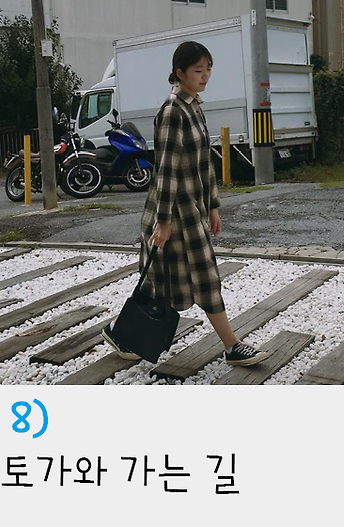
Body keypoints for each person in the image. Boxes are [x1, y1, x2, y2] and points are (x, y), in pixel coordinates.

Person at [102, 41, 270, 367]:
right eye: (198, 70)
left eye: (208, 69)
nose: (205, 75)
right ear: (180, 73)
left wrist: (213, 206)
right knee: (197, 277)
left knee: (162, 282)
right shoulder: (172, 112)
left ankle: (119, 332)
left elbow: (203, 163)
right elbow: (166, 169)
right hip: (174, 211)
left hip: (191, 209)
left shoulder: (193, 106)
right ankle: (232, 346)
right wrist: (164, 222)